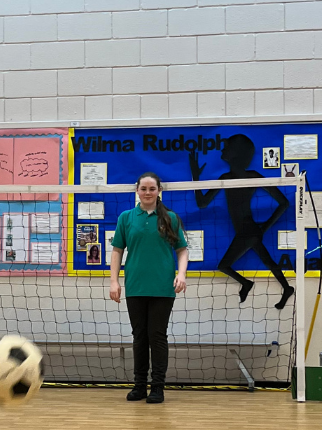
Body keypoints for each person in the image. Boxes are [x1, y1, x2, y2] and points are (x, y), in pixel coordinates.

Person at [109, 172, 189, 404]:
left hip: (163, 288)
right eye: (143, 189)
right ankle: (139, 386)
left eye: (151, 189)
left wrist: (181, 275)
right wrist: (114, 281)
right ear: (137, 191)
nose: (147, 193)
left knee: (157, 336)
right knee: (139, 337)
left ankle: (158, 388)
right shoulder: (126, 217)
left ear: (158, 191)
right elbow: (117, 251)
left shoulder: (170, 218)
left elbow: (182, 250)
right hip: (135, 286)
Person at [190, 135, 294, 309]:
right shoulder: (226, 177)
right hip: (248, 230)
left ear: (236, 152)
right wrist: (195, 178)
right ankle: (286, 288)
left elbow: (284, 203)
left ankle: (247, 283)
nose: (222, 150)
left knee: (224, 265)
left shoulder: (252, 176)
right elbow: (202, 204)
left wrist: (265, 227)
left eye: (227, 147)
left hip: (248, 230)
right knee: (268, 262)